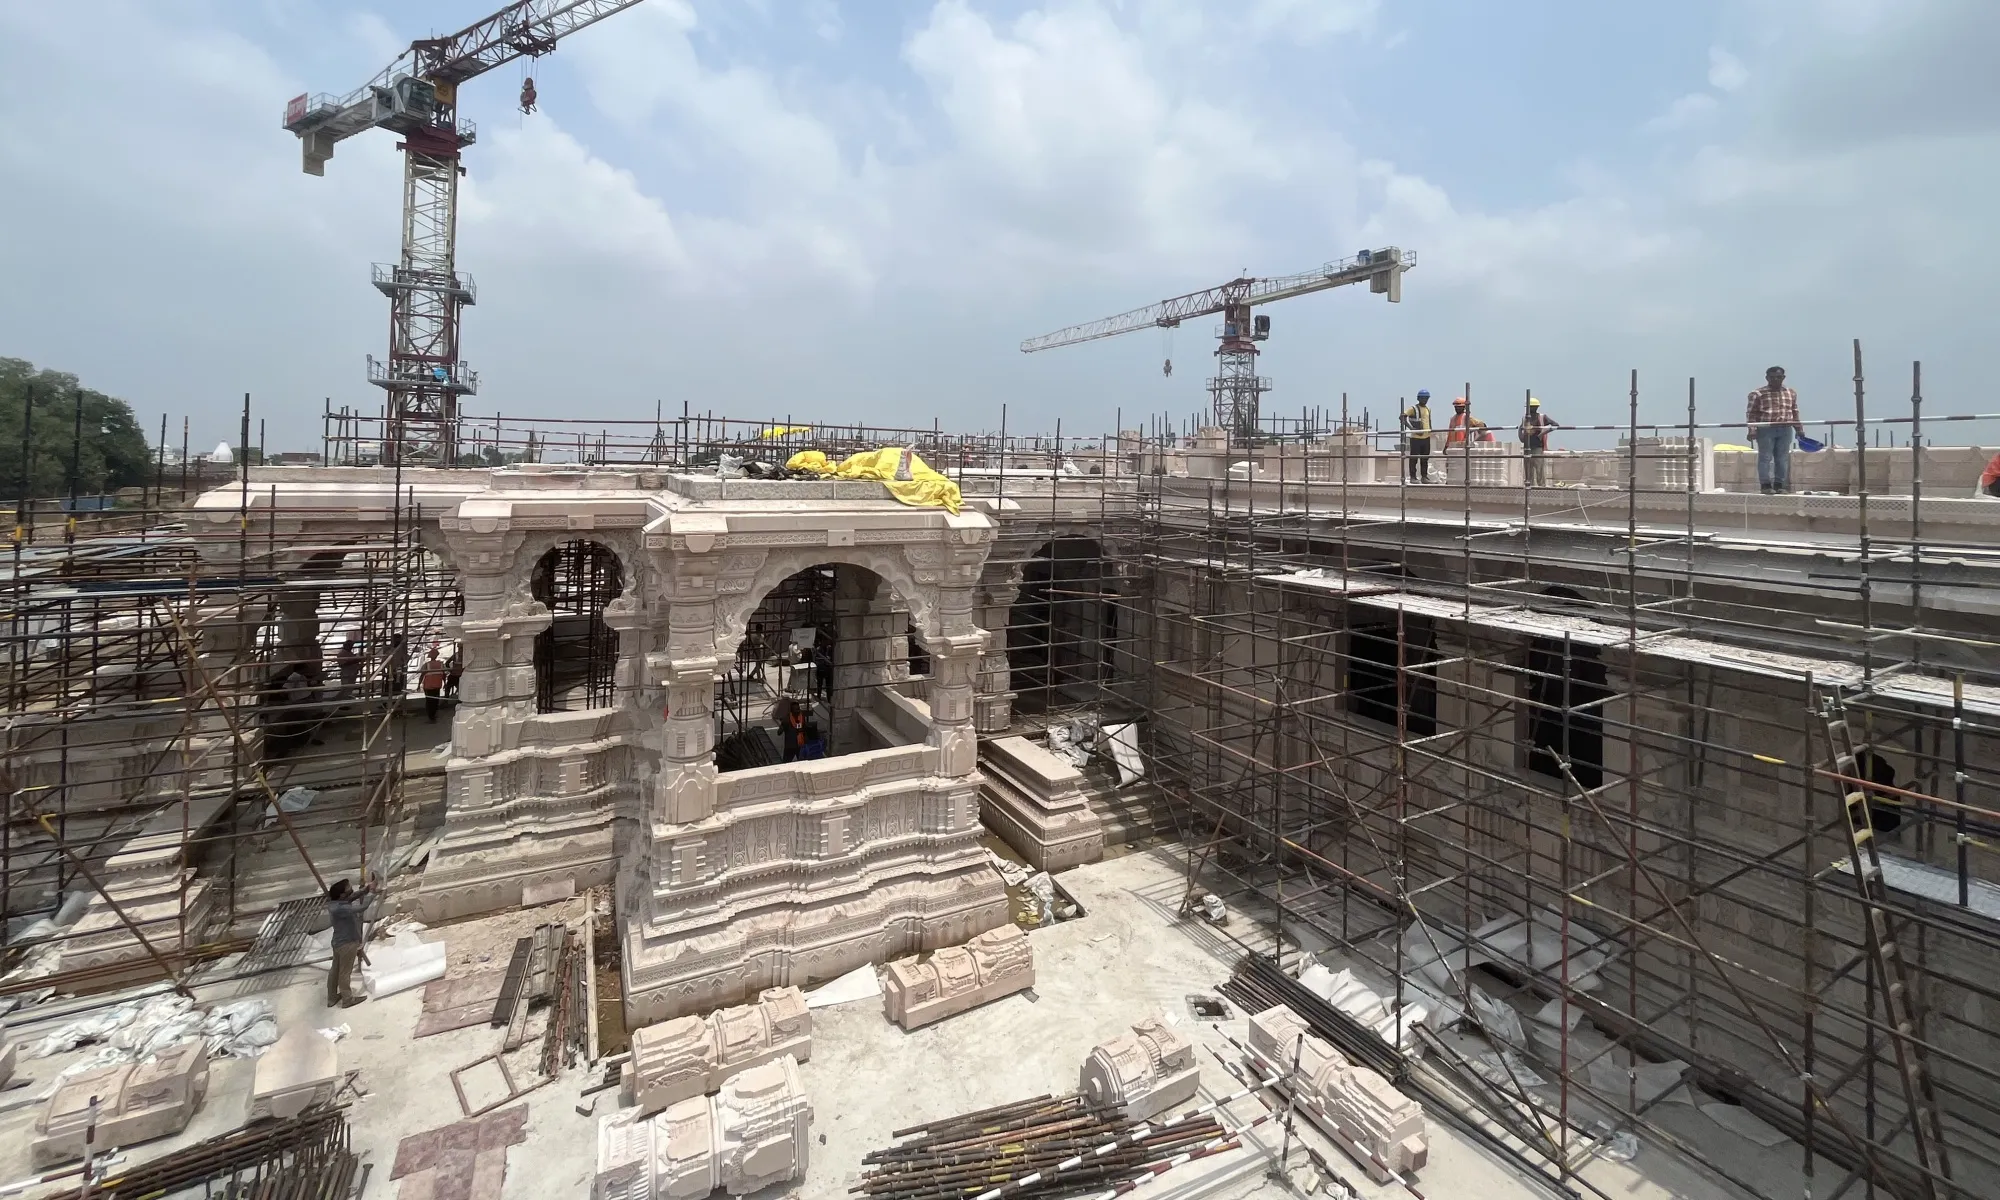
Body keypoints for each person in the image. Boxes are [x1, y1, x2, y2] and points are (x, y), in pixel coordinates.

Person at [1747, 365, 1805, 494]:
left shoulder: (1790, 393)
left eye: (1778, 377)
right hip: (1766, 428)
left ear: (1783, 377)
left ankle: (1780, 485)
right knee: (1765, 457)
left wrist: (1799, 429)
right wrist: (1752, 430)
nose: (1775, 380)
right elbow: (1751, 414)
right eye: (1772, 377)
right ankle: (1766, 485)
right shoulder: (1757, 394)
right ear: (1767, 378)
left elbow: (1794, 411)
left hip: (1785, 428)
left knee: (1782, 458)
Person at [326, 876, 374, 1007]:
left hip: (338, 942)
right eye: (348, 888)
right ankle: (347, 999)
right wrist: (372, 893)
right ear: (342, 894)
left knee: (335, 970)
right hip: (347, 943)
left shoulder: (335, 903)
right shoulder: (341, 909)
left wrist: (365, 890)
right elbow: (362, 907)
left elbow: (351, 898)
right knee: (345, 973)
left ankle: (332, 997)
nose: (351, 888)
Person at [1517, 397, 1562, 487]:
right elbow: (1520, 428)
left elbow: (1555, 425)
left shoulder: (1542, 417)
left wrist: (1543, 432)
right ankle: (1529, 487)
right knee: (1528, 470)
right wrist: (1521, 438)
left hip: (1537, 447)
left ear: (1535, 407)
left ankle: (1541, 487)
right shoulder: (1525, 418)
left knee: (1539, 469)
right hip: (1527, 447)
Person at [1401, 391, 1434, 483]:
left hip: (1426, 437)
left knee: (1425, 458)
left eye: (1426, 398)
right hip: (1416, 438)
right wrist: (1411, 428)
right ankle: (1413, 477)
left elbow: (1428, 420)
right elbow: (1402, 417)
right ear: (1418, 398)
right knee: (1414, 458)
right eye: (1422, 398)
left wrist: (1431, 430)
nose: (1424, 400)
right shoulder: (1413, 409)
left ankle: (1424, 477)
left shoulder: (1428, 409)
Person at [419, 647, 447, 722]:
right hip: (437, 685)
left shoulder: (426, 665)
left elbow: (421, 675)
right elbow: (444, 675)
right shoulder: (441, 664)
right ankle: (433, 715)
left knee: (429, 702)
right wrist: (445, 683)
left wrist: (419, 684)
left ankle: (431, 717)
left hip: (428, 687)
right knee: (435, 701)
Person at [382, 635, 409, 699]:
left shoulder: (397, 651)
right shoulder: (391, 651)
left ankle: (392, 701)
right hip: (393, 672)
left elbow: (405, 660)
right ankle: (391, 701)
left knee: (394, 688)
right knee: (392, 688)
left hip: (396, 672)